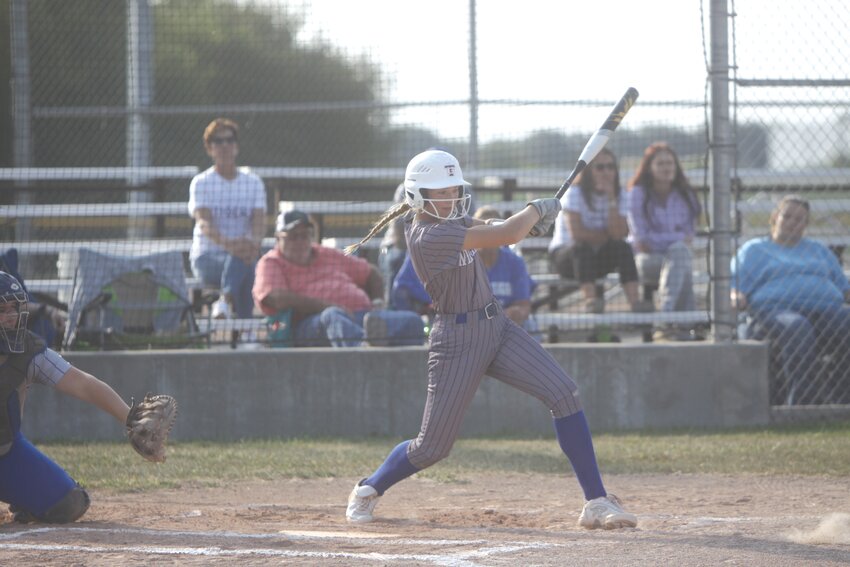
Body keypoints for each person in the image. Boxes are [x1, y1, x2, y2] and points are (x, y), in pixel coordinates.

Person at [341, 149, 636, 529]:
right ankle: (369, 487)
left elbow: (490, 225)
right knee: (432, 447)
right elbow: (506, 233)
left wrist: (526, 222)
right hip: (457, 341)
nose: (449, 198)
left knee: (564, 393)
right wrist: (531, 211)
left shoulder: (449, 218)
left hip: (496, 327)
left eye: (452, 190)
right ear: (416, 196)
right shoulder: (428, 234)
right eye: (440, 192)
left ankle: (596, 500)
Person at [0, 271, 162, 523]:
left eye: (14, 309)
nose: (10, 317)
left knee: (69, 503)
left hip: (5, 453)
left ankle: (24, 497)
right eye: (2, 309)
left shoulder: (28, 351)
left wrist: (130, 421)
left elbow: (83, 384)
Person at [731, 196, 850, 405]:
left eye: (800, 219)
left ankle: (841, 399)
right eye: (787, 216)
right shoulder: (754, 250)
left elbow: (843, 286)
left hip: (826, 310)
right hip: (776, 312)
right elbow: (736, 287)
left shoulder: (818, 249)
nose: (793, 222)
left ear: (806, 225)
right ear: (775, 217)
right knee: (797, 327)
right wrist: (736, 298)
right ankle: (801, 404)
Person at [252, 210, 425, 347]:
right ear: (277, 239)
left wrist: (378, 304)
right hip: (310, 324)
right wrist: (324, 306)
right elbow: (276, 297)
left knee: (412, 321)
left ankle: (382, 351)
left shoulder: (326, 253)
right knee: (333, 316)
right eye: (292, 237)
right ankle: (365, 352)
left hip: (363, 317)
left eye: (304, 235)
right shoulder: (271, 262)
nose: (299, 242)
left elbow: (371, 273)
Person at [392, 206, 541, 340]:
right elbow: (404, 289)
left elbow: (523, 305)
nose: (487, 235)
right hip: (460, 325)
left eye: (492, 231)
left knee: (530, 326)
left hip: (504, 325)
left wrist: (515, 313)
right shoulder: (454, 253)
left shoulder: (514, 262)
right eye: (480, 228)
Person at [188, 118, 267, 335]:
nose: (224, 145)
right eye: (218, 141)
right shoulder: (201, 182)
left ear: (237, 146)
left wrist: (252, 244)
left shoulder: (253, 182)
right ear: (209, 148)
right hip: (207, 258)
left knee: (246, 265)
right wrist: (232, 246)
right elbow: (203, 223)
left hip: (244, 254)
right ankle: (247, 332)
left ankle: (225, 300)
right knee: (246, 264)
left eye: (229, 140)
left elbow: (260, 223)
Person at [549, 149, 652, 314]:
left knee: (623, 247)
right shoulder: (574, 193)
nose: (606, 172)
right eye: (600, 167)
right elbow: (577, 235)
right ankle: (591, 302)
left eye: (611, 167)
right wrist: (606, 235)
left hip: (599, 258)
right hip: (567, 258)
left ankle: (635, 302)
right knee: (582, 248)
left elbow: (619, 235)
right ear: (589, 171)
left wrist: (611, 199)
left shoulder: (620, 195)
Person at [627, 142, 702, 341]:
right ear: (649, 167)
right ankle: (684, 329)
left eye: (670, 163)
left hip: (676, 258)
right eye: (660, 163)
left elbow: (689, 235)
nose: (666, 168)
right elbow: (643, 240)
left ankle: (667, 318)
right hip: (647, 260)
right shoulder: (637, 194)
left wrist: (668, 241)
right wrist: (676, 239)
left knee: (680, 257)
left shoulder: (685, 195)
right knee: (681, 257)